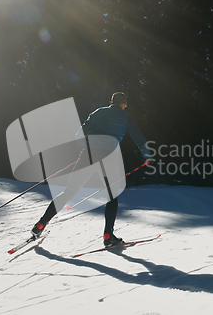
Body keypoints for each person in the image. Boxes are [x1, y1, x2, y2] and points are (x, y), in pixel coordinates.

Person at [31, 92, 151, 246]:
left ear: (110, 102)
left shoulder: (98, 112)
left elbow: (79, 133)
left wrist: (84, 150)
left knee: (69, 191)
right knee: (112, 196)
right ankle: (108, 236)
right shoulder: (125, 116)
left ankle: (40, 224)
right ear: (124, 104)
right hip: (109, 158)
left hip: (88, 154)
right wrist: (147, 155)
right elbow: (138, 137)